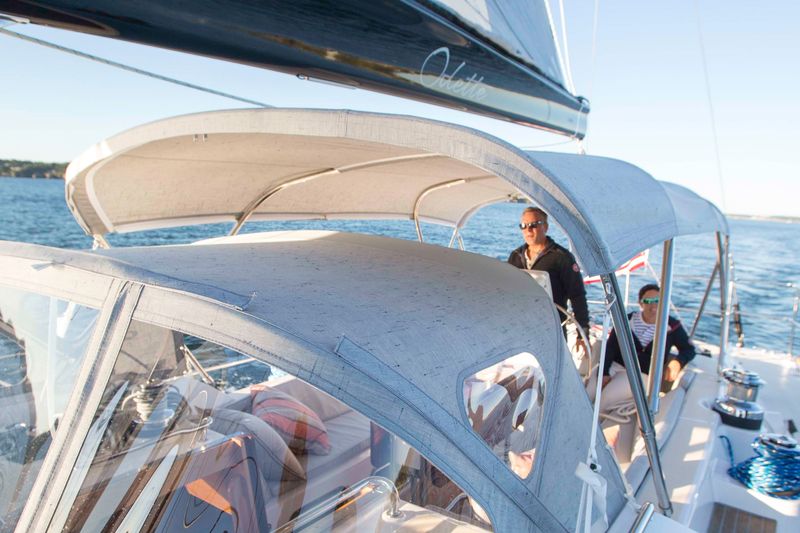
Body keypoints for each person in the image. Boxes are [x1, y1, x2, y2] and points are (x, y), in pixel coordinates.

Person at [591, 283, 695, 412]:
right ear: (640, 303)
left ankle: (590, 423)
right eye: (648, 301)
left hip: (640, 375)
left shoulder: (672, 327)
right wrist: (604, 372)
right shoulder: (627, 319)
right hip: (614, 366)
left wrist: (678, 361)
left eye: (657, 301)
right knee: (589, 391)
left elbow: (689, 350)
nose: (653, 306)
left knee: (607, 397)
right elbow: (610, 346)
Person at [507, 207, 590, 349]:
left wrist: (582, 333)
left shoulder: (562, 257)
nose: (528, 230)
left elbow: (577, 296)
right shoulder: (515, 256)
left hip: (553, 329)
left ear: (545, 227)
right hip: (522, 327)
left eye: (533, 225)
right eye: (524, 225)